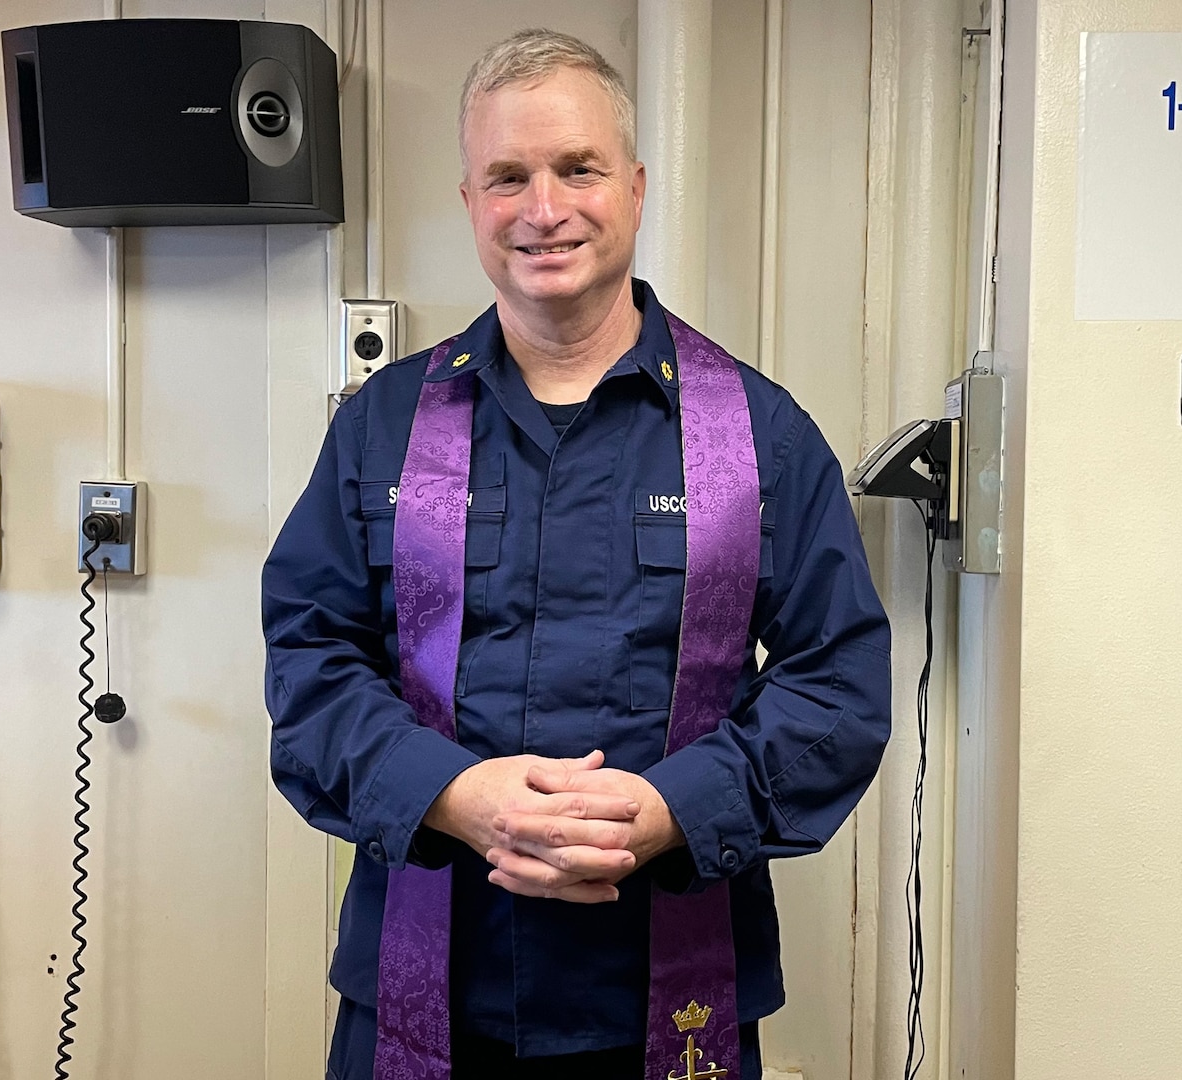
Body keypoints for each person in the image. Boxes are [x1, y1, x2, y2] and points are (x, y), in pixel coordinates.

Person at [263, 29, 892, 1080]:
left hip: (663, 990)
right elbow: (309, 662)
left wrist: (671, 810)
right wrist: (454, 797)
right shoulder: (382, 427)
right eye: (508, 176)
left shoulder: (759, 435)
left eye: (577, 169)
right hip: (426, 987)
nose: (543, 208)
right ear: (468, 199)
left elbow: (840, 684)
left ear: (636, 188)